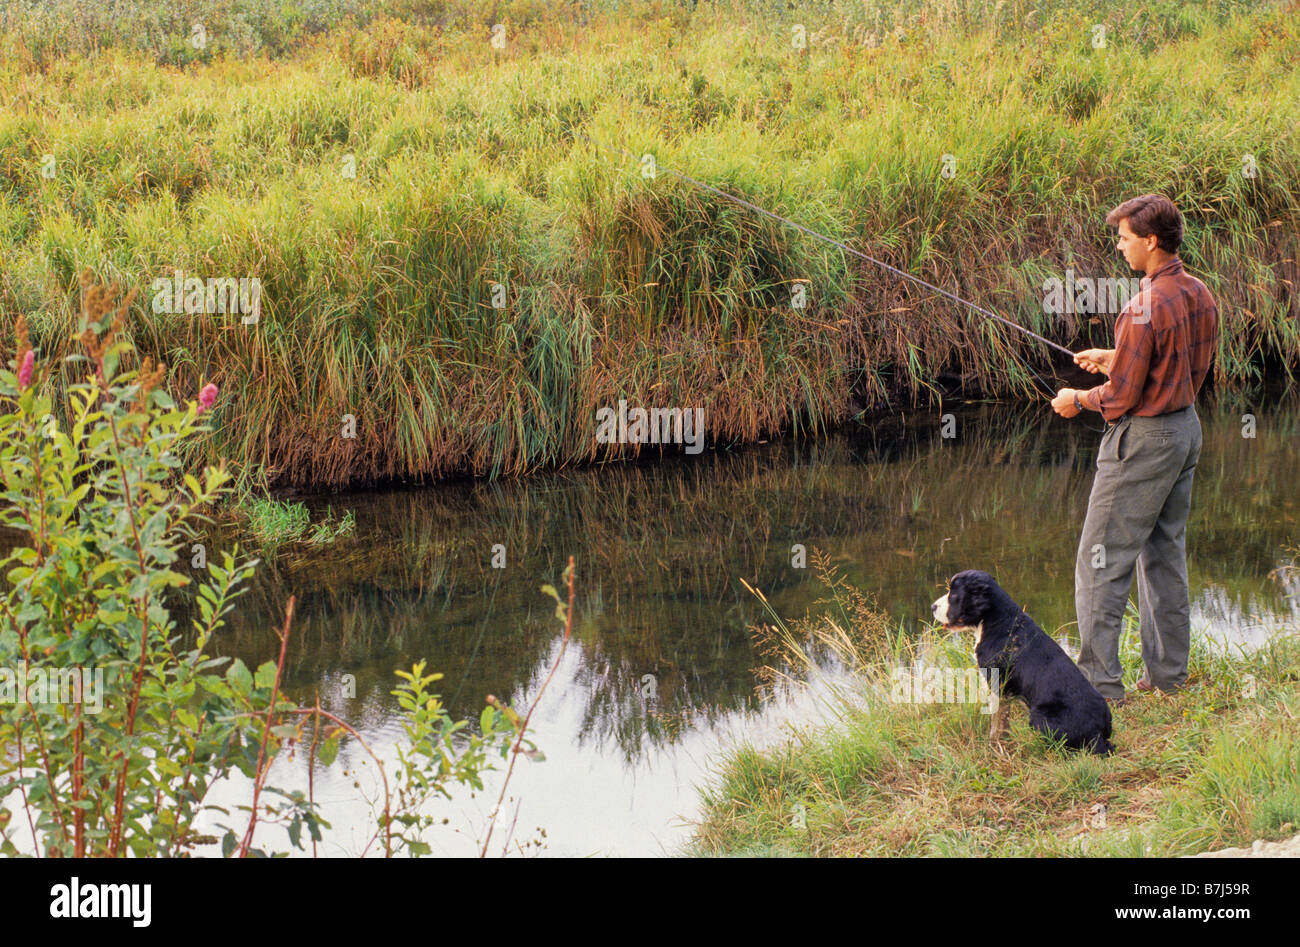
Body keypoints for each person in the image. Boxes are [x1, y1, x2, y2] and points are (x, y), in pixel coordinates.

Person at [1049, 194, 1219, 703]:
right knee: (1163, 554)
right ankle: (1168, 678)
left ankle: (1099, 686)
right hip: (1185, 430)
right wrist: (1116, 355)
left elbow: (1121, 396)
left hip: (1143, 441)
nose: (1119, 247)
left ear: (1150, 241)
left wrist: (1077, 398)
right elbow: (1183, 365)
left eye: (1124, 238)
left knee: (1100, 561)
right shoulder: (1199, 292)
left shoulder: (1142, 305)